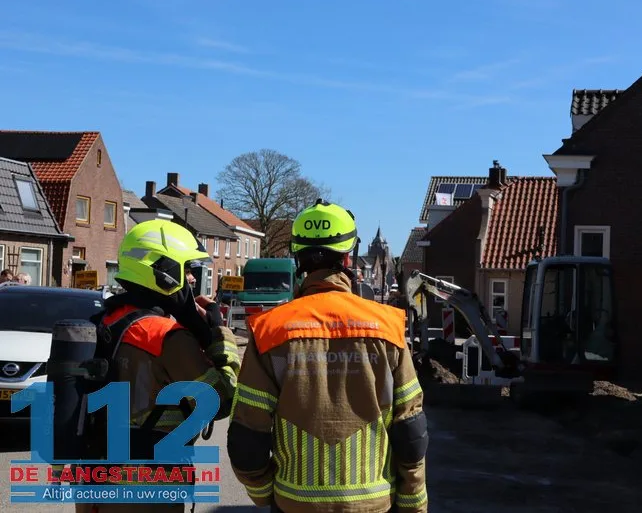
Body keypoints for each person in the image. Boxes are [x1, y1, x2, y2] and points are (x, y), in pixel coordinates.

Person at [228, 199, 429, 513]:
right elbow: (410, 431)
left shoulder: (270, 331)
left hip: (294, 504)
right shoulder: (387, 327)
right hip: (372, 505)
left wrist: (267, 494)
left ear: (298, 258)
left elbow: (247, 438)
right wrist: (413, 504)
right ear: (348, 257)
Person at [75, 220, 241, 513]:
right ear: (164, 272)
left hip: (95, 486)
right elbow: (221, 401)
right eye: (186, 269)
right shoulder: (165, 336)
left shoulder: (106, 322)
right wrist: (219, 334)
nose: (191, 279)